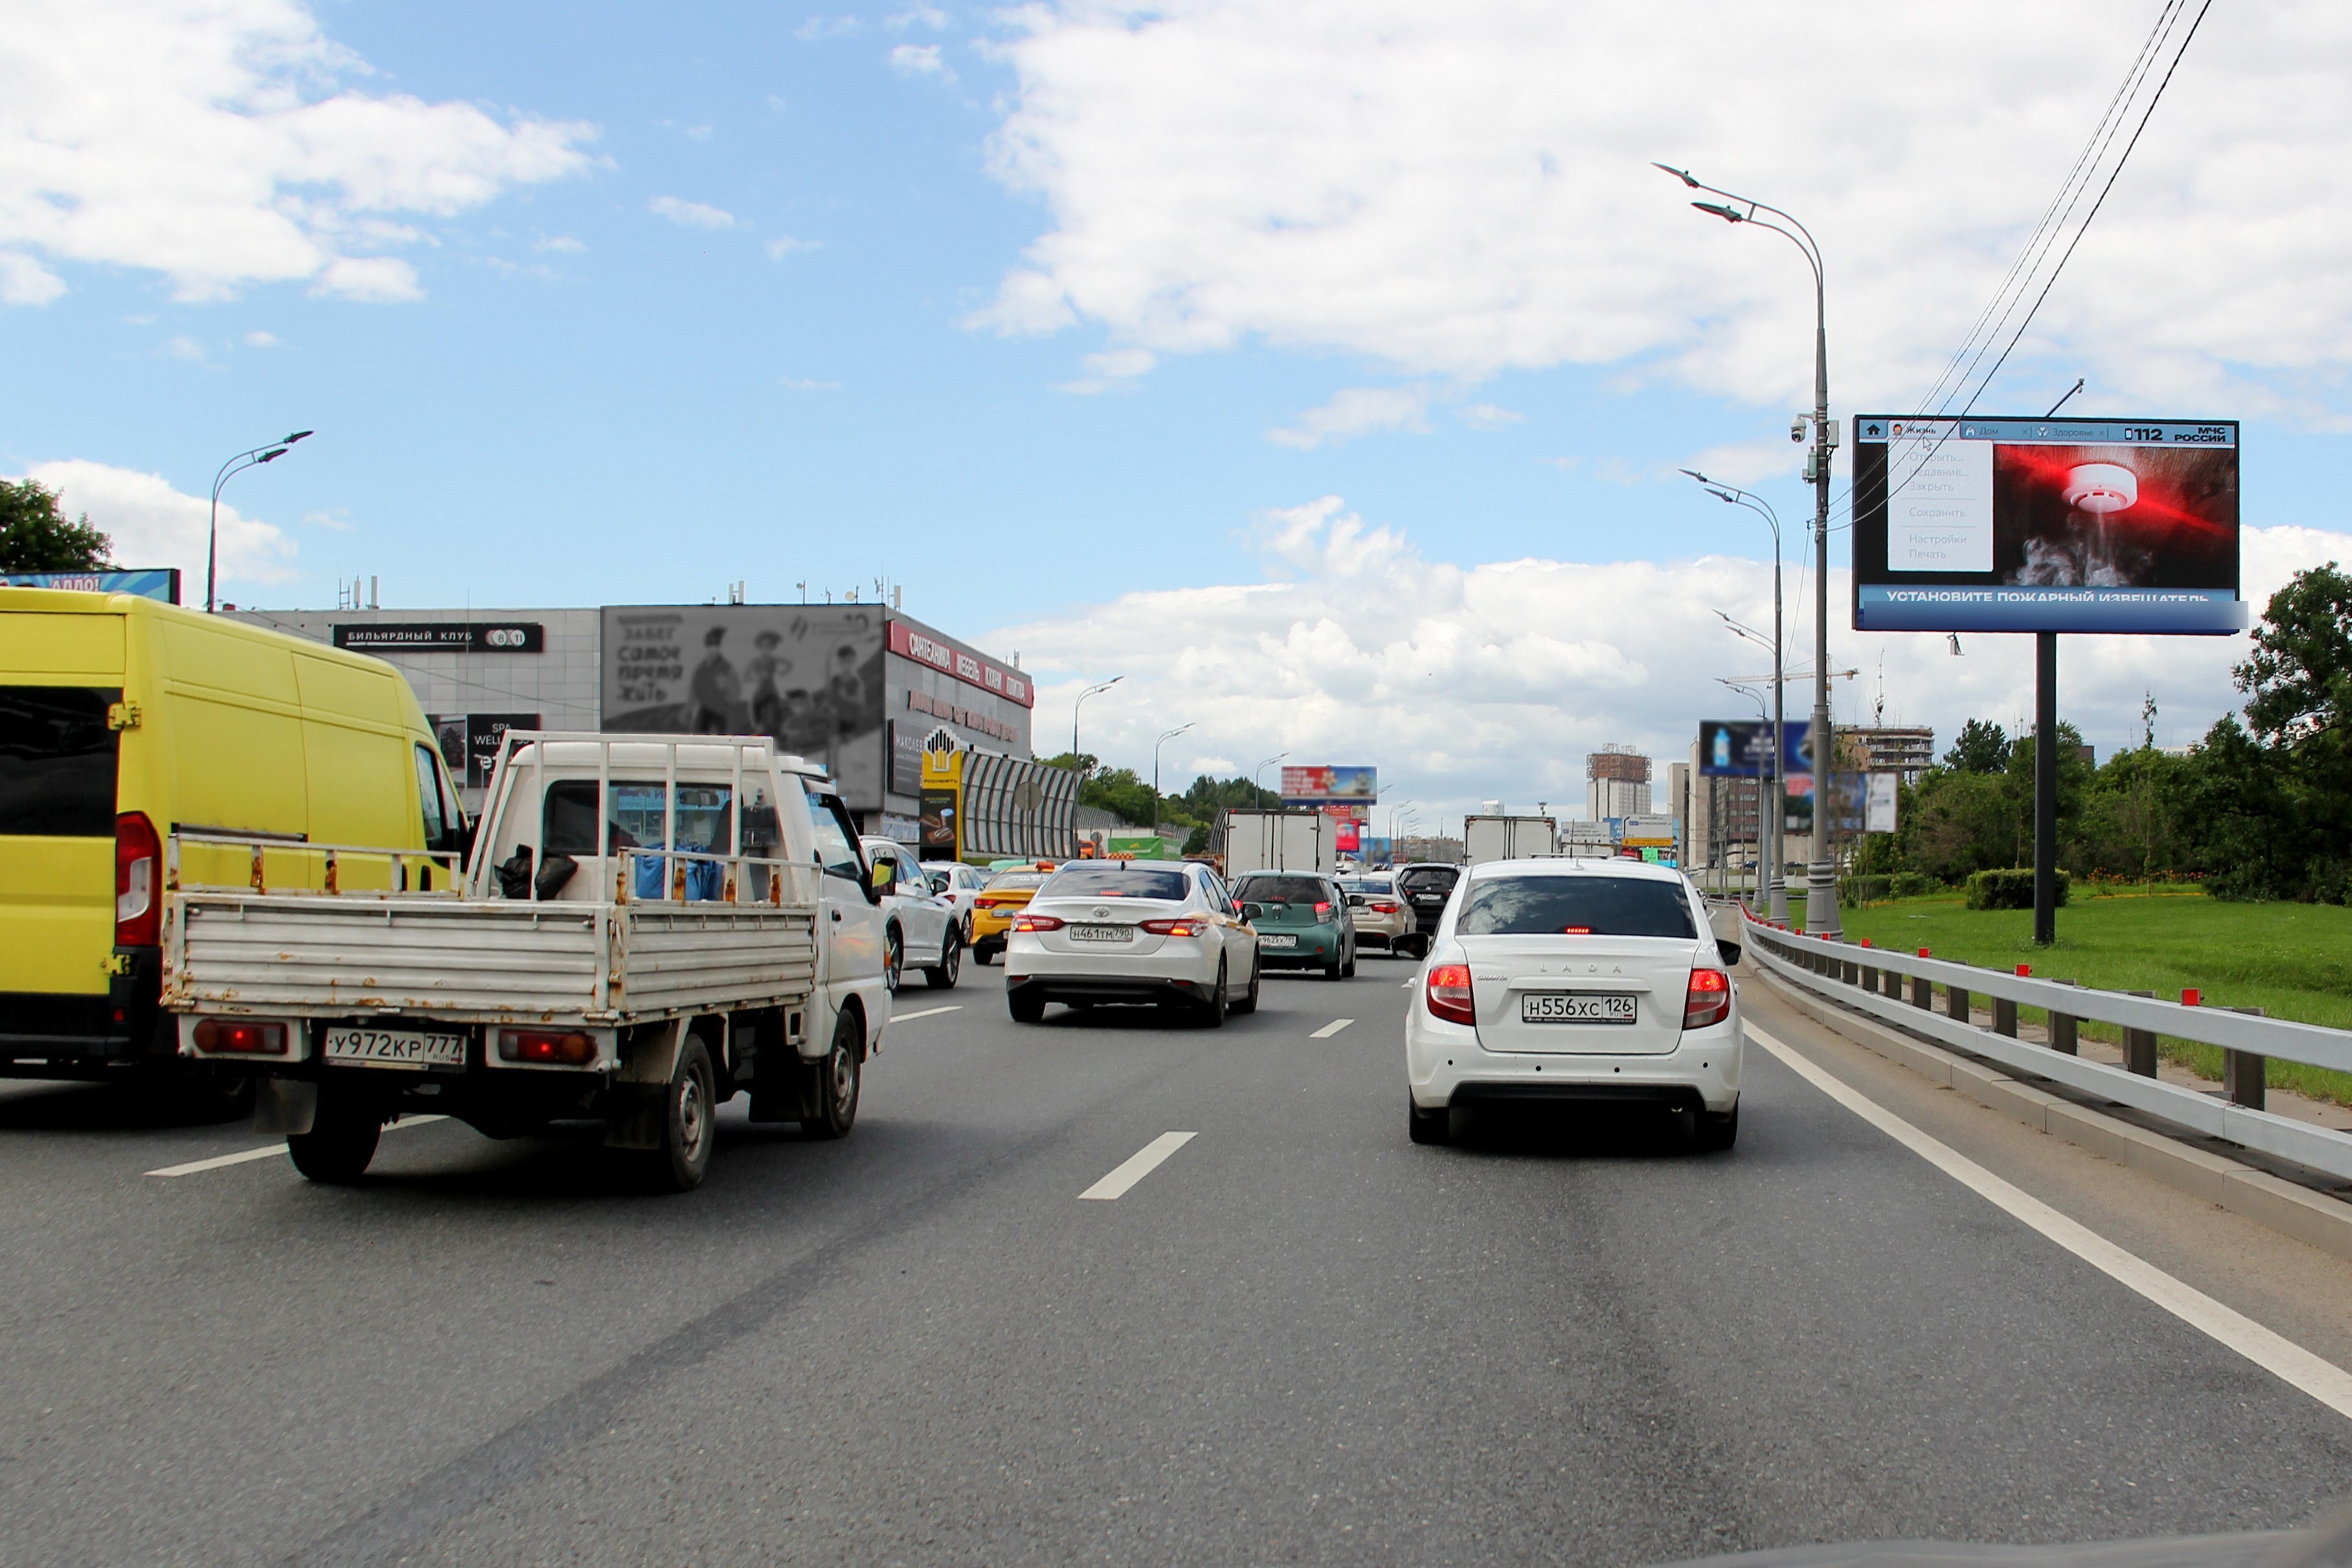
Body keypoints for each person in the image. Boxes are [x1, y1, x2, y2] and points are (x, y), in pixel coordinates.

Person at [688, 625, 741, 734]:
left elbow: (736, 692)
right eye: (710, 645)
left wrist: (727, 686)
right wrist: (688, 709)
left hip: (720, 710)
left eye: (715, 645)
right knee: (699, 738)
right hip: (704, 709)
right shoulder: (701, 669)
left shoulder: (726, 667)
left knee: (723, 739)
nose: (713, 649)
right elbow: (694, 690)